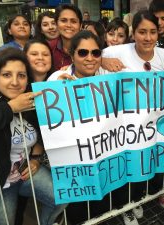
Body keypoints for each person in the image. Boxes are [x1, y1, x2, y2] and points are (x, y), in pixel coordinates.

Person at [102, 10, 164, 224]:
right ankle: (123, 207)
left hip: (150, 127)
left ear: (159, 32)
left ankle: (135, 201)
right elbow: (88, 61)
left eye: (152, 32)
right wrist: (102, 61)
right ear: (133, 33)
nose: (147, 38)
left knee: (142, 165)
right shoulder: (115, 51)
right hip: (123, 127)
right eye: (142, 32)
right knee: (124, 169)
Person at [0, 47, 67, 225]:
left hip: (24, 175)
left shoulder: (30, 99)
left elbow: (41, 131)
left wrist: (36, 159)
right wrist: (10, 108)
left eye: (21, 75)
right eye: (7, 75)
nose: (15, 82)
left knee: (63, 194)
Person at [47, 30, 109, 225]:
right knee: (78, 209)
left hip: (103, 153)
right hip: (74, 158)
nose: (90, 58)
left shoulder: (109, 76)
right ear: (72, 55)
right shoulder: (59, 77)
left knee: (102, 203)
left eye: (96, 53)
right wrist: (56, 90)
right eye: (83, 53)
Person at [49, 4, 82, 70]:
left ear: (80, 26)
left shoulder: (90, 48)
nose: (69, 25)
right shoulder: (49, 48)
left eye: (73, 21)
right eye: (63, 20)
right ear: (56, 24)